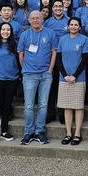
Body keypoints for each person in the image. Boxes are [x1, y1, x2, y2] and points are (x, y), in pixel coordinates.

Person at [18, 11, 57, 145]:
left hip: (45, 75)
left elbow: (54, 52)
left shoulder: (50, 33)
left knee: (43, 105)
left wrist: (50, 69)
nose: (35, 20)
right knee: (28, 106)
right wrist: (25, 69)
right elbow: (21, 54)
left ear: (42, 19)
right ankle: (28, 132)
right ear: (29, 20)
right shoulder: (24, 35)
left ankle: (40, 131)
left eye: (38, 18)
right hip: (29, 75)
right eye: (33, 18)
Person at [56, 17, 88, 146]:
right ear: (68, 26)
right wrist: (65, 75)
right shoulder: (62, 39)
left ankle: (77, 134)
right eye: (71, 24)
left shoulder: (84, 39)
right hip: (64, 78)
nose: (74, 26)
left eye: (76, 25)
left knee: (78, 107)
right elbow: (58, 59)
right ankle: (68, 133)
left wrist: (75, 75)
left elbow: (85, 60)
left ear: (80, 27)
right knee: (67, 106)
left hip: (79, 78)